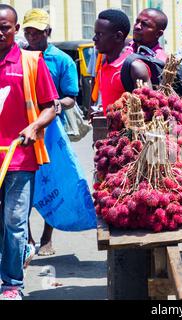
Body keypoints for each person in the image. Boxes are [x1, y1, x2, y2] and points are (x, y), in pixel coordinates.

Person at [0, 4, 57, 300]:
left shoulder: (30, 62)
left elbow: (51, 105)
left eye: (5, 27)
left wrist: (34, 127)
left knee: (13, 221)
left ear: (15, 29)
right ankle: (18, 251)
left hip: (19, 157)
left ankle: (11, 284)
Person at [22, 8, 79, 256]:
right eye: (28, 31)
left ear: (48, 32)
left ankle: (47, 237)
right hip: (21, 129)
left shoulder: (62, 60)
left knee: (51, 184)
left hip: (51, 131)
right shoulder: (17, 57)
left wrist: (56, 104)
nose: (32, 36)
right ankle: (28, 239)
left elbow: (71, 98)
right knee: (22, 184)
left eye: (37, 31)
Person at [93, 9, 151, 115]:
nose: (94, 38)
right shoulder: (104, 63)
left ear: (118, 36)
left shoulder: (135, 68)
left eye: (100, 34)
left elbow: (149, 111)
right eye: (95, 33)